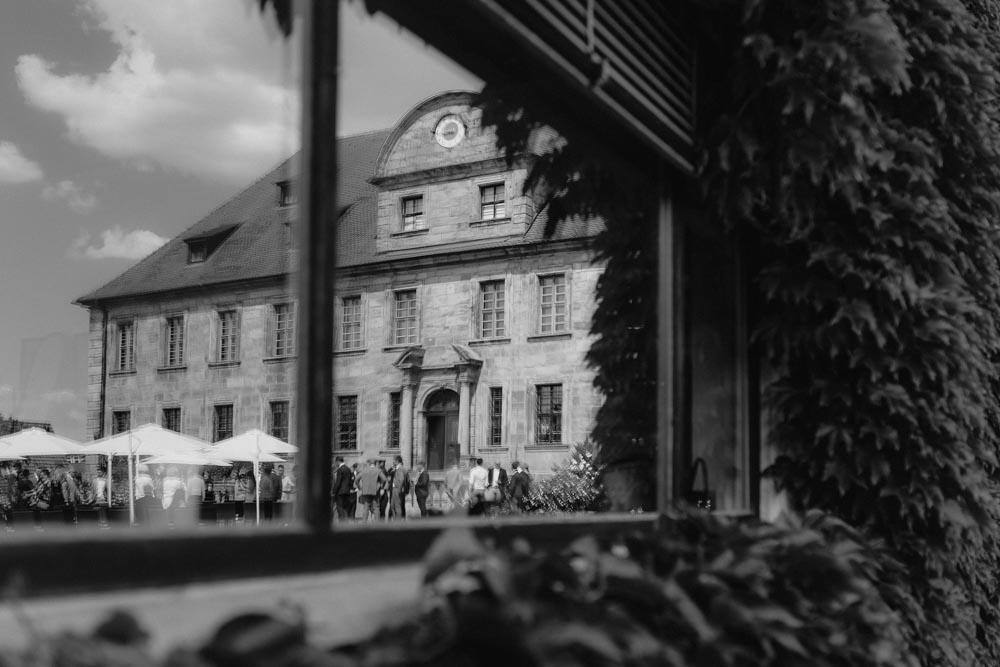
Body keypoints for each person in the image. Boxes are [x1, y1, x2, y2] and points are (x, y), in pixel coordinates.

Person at [389, 455, 409, 520]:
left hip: (397, 489)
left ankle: (398, 522)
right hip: (396, 489)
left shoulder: (400, 469)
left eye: (393, 461)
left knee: (397, 506)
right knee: (392, 505)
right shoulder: (401, 469)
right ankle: (396, 519)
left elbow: (402, 479)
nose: (393, 462)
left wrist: (399, 489)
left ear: (397, 461)